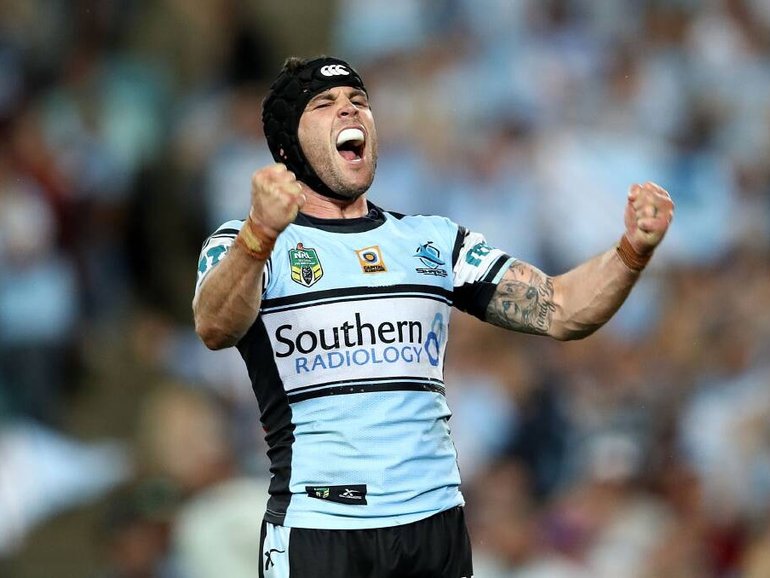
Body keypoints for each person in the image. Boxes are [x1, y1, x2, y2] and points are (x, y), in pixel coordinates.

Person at [192, 55, 674, 578]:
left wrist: (632, 251)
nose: (350, 111)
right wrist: (260, 234)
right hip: (321, 527)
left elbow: (561, 309)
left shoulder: (433, 242)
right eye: (325, 104)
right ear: (287, 147)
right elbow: (214, 326)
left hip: (434, 526)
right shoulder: (246, 244)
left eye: (358, 101)